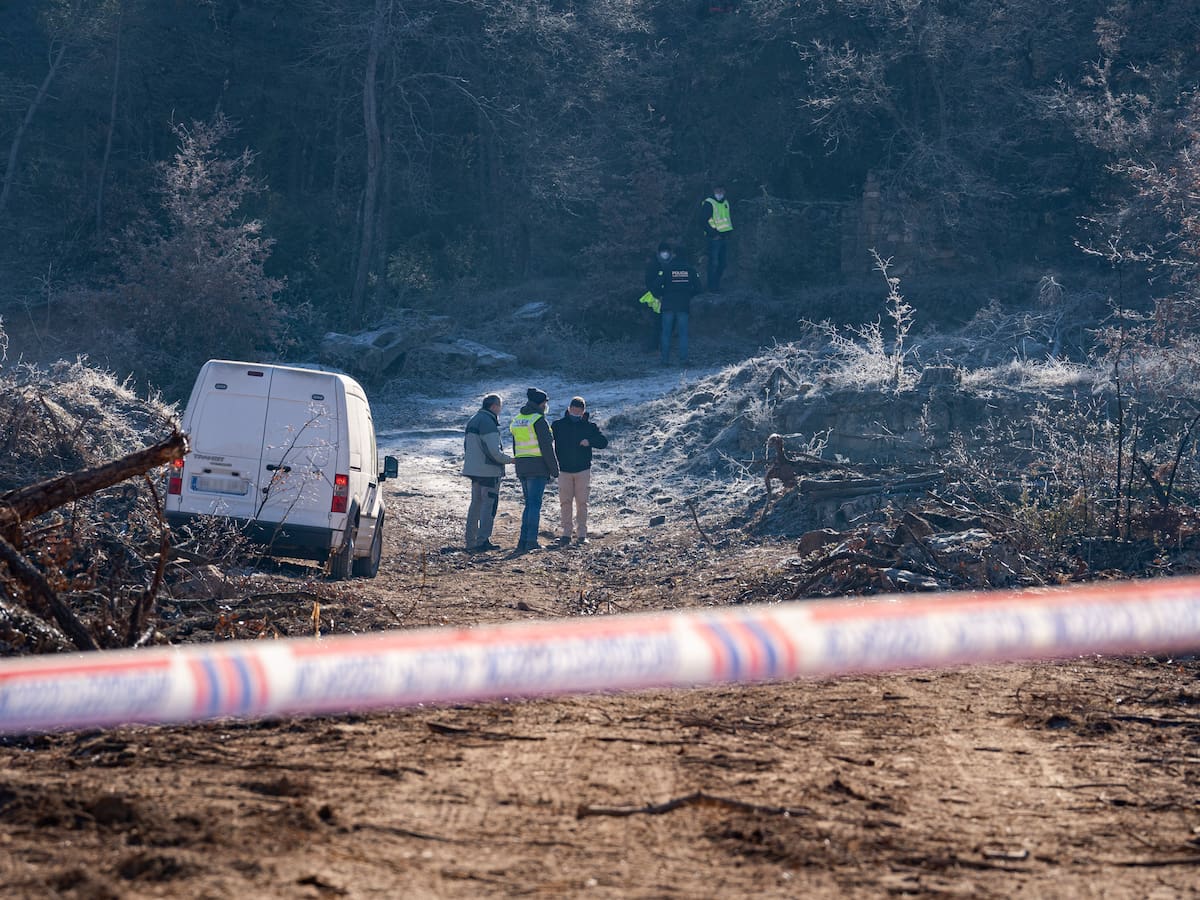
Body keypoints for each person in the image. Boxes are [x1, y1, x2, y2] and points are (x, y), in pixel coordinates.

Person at [551, 396, 609, 546]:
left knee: (582, 503)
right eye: (574, 410)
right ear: (569, 409)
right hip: (563, 470)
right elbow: (546, 440)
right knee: (565, 502)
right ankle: (566, 534)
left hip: (583, 470)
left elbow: (603, 442)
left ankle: (582, 535)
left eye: (579, 410)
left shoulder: (589, 427)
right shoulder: (558, 425)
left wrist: (589, 441)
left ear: (583, 412)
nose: (576, 413)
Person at [461, 393, 515, 553]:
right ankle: (483, 540)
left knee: (475, 504)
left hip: (474, 470)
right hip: (489, 472)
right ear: (493, 406)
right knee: (488, 506)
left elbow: (467, 446)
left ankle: (470, 540)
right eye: (500, 405)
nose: (500, 409)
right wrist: (510, 460)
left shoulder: (474, 419)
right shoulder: (488, 423)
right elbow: (494, 451)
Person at [509, 387, 559, 552]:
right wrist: (554, 470)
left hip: (522, 467)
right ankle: (531, 541)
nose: (546, 405)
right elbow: (546, 448)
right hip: (537, 468)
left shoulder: (517, 419)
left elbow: (516, 446)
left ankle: (523, 541)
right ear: (540, 403)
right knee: (534, 505)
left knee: (528, 505)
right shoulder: (538, 420)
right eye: (545, 402)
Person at [651, 243, 701, 366]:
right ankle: (683, 360)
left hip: (668, 304)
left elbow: (655, 286)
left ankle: (664, 361)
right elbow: (699, 288)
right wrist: (689, 295)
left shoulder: (667, 269)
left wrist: (662, 294)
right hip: (683, 305)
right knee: (683, 334)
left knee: (666, 333)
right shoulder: (690, 270)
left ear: (675, 254)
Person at [701, 184, 733, 291]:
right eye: (717, 190)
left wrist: (728, 234)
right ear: (714, 190)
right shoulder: (709, 203)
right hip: (713, 239)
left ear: (724, 191)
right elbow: (702, 221)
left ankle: (716, 285)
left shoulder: (725, 203)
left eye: (721, 190)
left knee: (723, 264)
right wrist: (713, 234)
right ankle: (712, 288)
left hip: (724, 238)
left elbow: (726, 220)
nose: (719, 193)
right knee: (713, 264)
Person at [640, 242, 671, 351]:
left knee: (667, 323)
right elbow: (649, 282)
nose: (666, 254)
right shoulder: (653, 265)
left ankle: (663, 345)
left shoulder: (671, 264)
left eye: (667, 251)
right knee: (657, 323)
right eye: (664, 251)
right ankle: (654, 346)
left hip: (668, 298)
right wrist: (657, 295)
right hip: (656, 299)